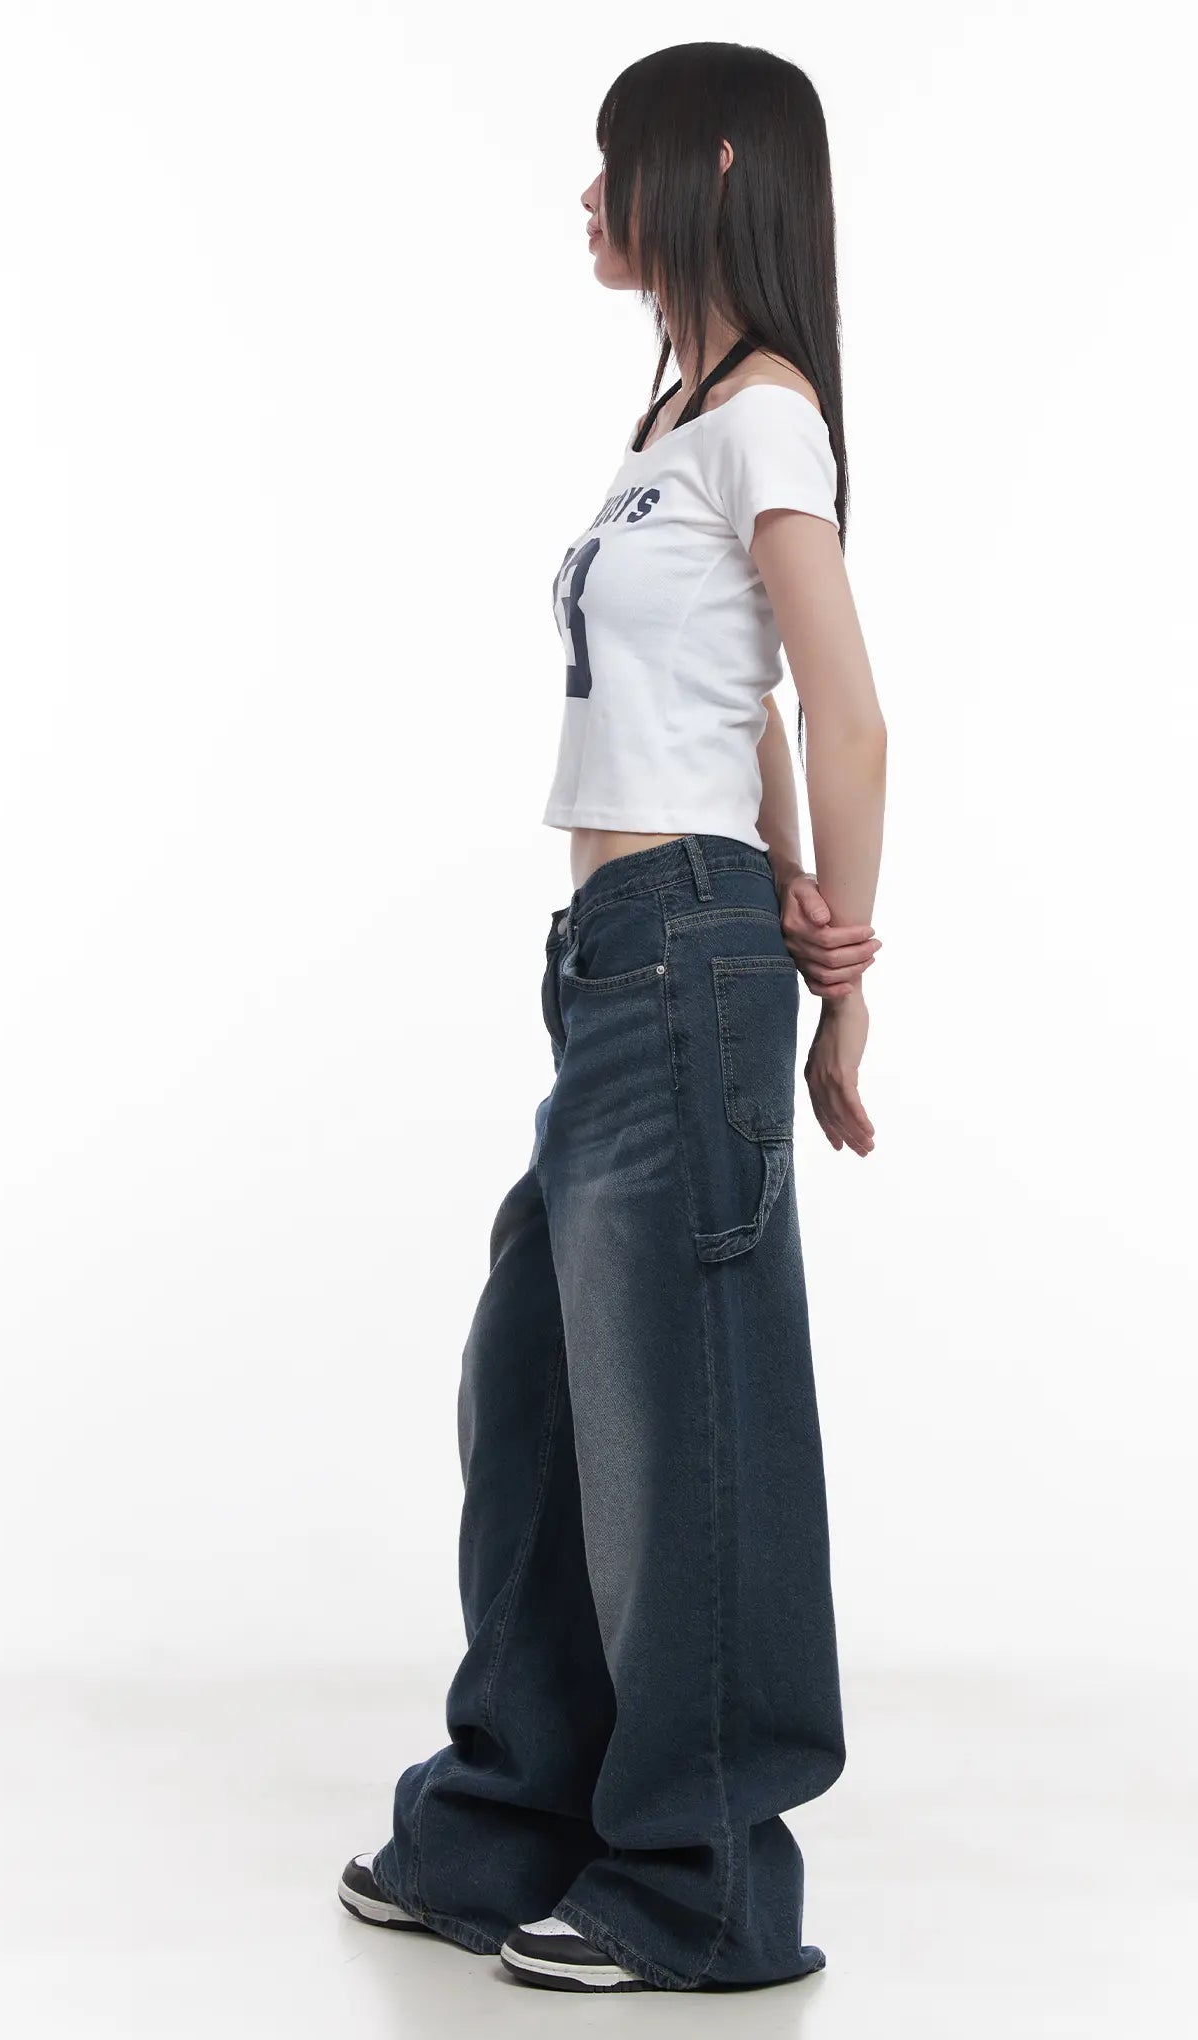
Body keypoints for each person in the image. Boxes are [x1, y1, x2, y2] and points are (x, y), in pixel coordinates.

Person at [337, 40, 886, 1994]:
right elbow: (747, 711)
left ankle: (708, 1879)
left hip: (685, 951)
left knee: (686, 1412)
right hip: (618, 958)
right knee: (541, 1394)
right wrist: (786, 868)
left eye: (613, 160)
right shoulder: (673, 423)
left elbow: (850, 707)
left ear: (709, 164)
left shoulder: (769, 420)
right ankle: (512, 1821)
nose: (587, 195)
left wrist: (836, 976)